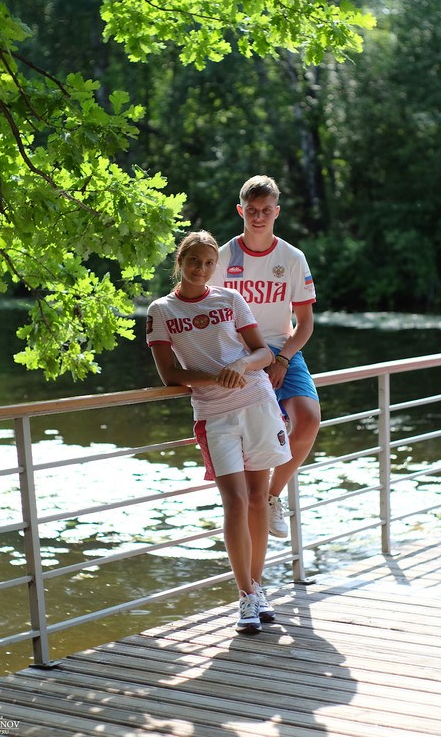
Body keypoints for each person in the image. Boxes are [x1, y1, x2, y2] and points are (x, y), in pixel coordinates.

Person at [146, 230, 292, 633]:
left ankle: (258, 587)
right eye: (194, 261)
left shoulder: (230, 299)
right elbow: (169, 372)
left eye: (209, 262)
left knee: (259, 499)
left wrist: (242, 366)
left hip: (257, 404)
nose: (201, 269)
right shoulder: (161, 310)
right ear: (180, 261)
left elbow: (264, 352)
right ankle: (245, 596)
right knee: (235, 501)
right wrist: (215, 377)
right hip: (214, 415)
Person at [211, 175, 321, 539]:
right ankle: (249, 506)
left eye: (266, 211)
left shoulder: (292, 257)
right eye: (252, 211)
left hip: (281, 349)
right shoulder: (224, 256)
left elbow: (305, 323)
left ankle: (272, 496)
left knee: (306, 421)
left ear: (277, 212)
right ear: (241, 210)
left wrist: (284, 359)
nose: (259, 218)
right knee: (251, 436)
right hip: (238, 353)